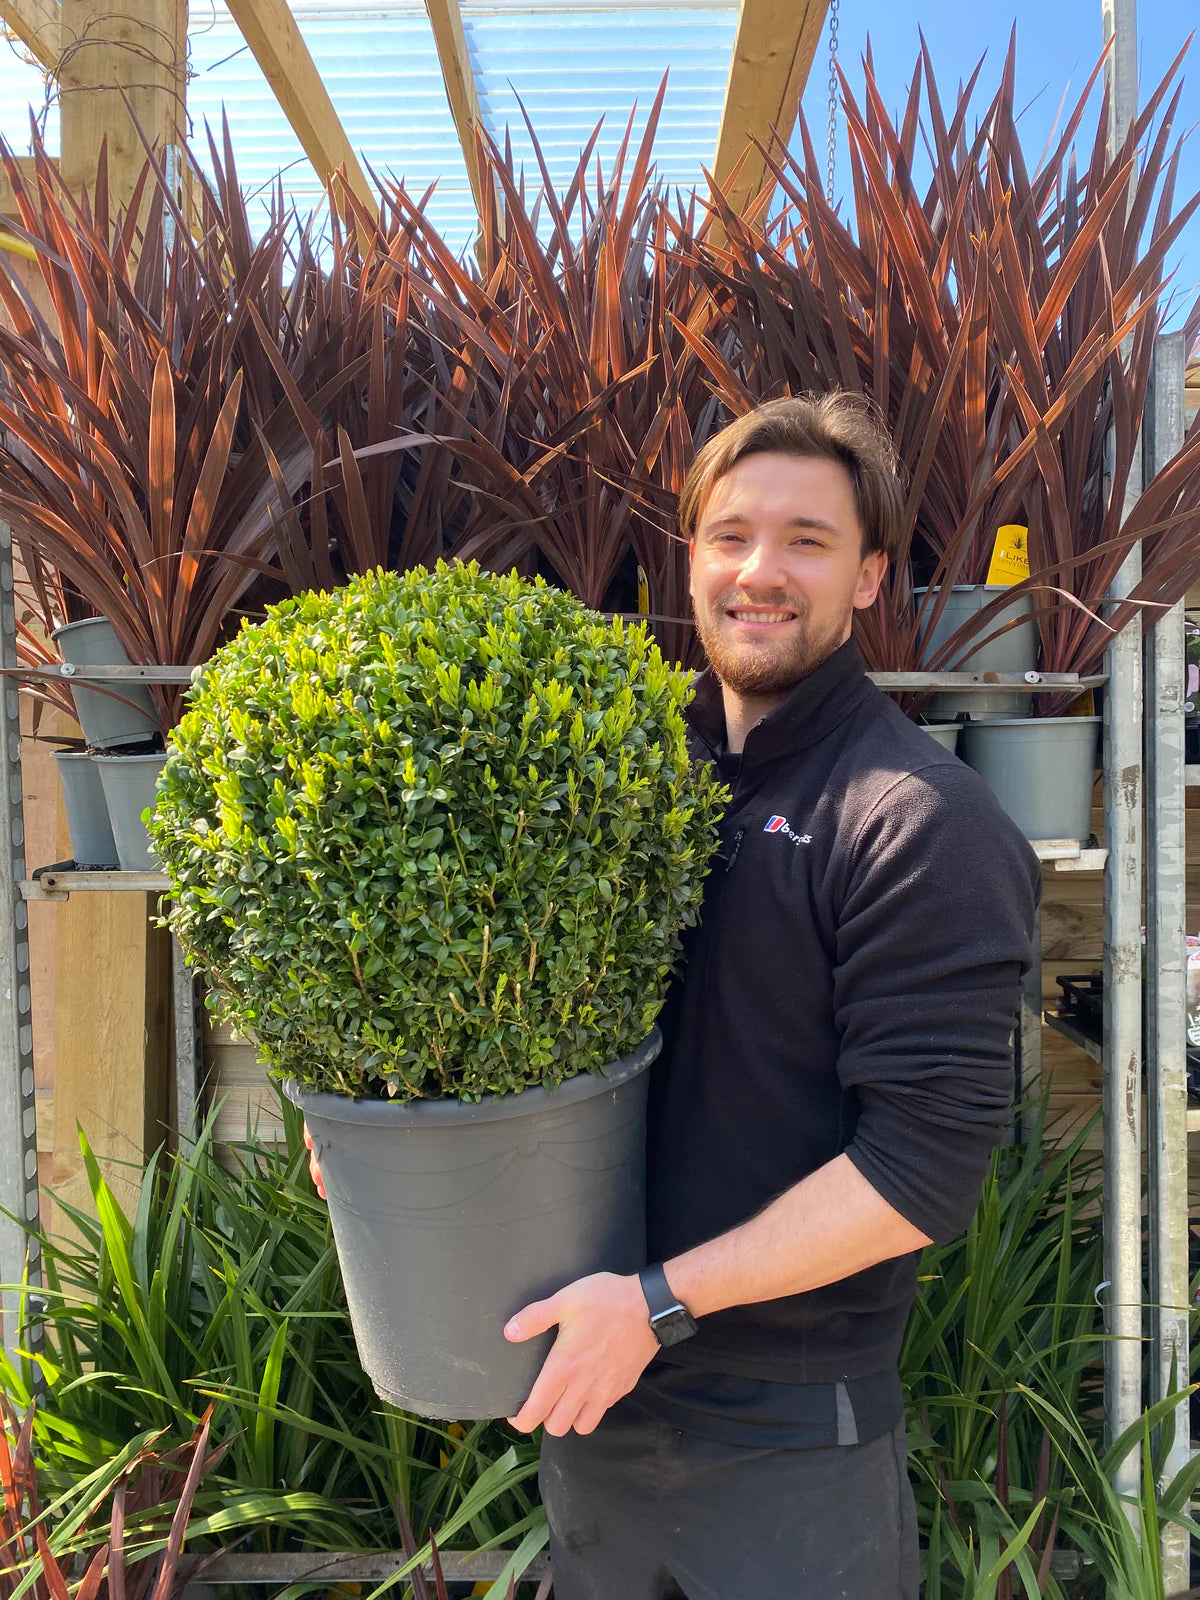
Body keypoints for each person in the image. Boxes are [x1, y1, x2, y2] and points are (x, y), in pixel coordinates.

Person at [308, 392, 1040, 1598]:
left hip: (792, 1437)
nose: (761, 570)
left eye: (808, 538)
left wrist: (658, 1303)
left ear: (869, 576)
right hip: (594, 1404)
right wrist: (384, 1122)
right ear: (690, 558)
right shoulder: (622, 777)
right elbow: (498, 1001)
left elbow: (924, 1170)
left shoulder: (917, 820)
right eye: (730, 535)